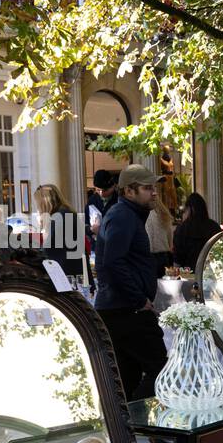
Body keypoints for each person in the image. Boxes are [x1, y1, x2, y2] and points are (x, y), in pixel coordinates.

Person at [94, 164, 167, 400]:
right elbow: (113, 261)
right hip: (127, 309)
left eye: (153, 187)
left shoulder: (126, 215)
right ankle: (136, 425)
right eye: (147, 188)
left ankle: (127, 428)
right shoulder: (122, 216)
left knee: (129, 375)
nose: (154, 193)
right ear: (128, 192)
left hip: (123, 308)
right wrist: (139, 300)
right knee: (161, 371)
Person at [34, 183, 85, 280]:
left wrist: (43, 226)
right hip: (71, 270)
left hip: (66, 274)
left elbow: (48, 249)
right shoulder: (65, 213)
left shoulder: (60, 217)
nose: (37, 208)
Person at [172, 191, 221, 270]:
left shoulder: (182, 228)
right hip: (210, 271)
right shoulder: (214, 226)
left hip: (187, 272)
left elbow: (177, 258)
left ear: (190, 209)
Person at [145, 193, 174, 277]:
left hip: (150, 256)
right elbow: (170, 240)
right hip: (164, 256)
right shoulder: (164, 214)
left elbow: (149, 239)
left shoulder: (144, 215)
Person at [86, 168, 118, 240]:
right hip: (95, 245)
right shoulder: (92, 200)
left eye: (105, 190)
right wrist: (91, 229)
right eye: (98, 190)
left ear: (113, 186)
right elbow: (85, 222)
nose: (101, 193)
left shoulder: (119, 201)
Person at [157, 144, 178, 214]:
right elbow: (168, 165)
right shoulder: (163, 159)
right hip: (166, 177)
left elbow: (169, 166)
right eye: (168, 149)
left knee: (171, 193)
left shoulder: (168, 158)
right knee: (167, 193)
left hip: (170, 177)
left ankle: (173, 209)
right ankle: (169, 209)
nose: (169, 150)